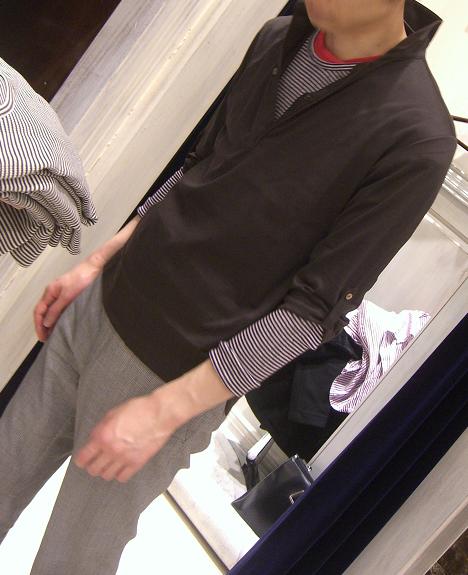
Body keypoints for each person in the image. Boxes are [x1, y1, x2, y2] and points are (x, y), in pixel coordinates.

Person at [0, 1, 456, 573]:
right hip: (103, 303)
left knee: (71, 559)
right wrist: (97, 264)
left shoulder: (416, 135)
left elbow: (312, 313)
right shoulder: (278, 38)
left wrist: (166, 410)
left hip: (171, 369)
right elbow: (197, 168)